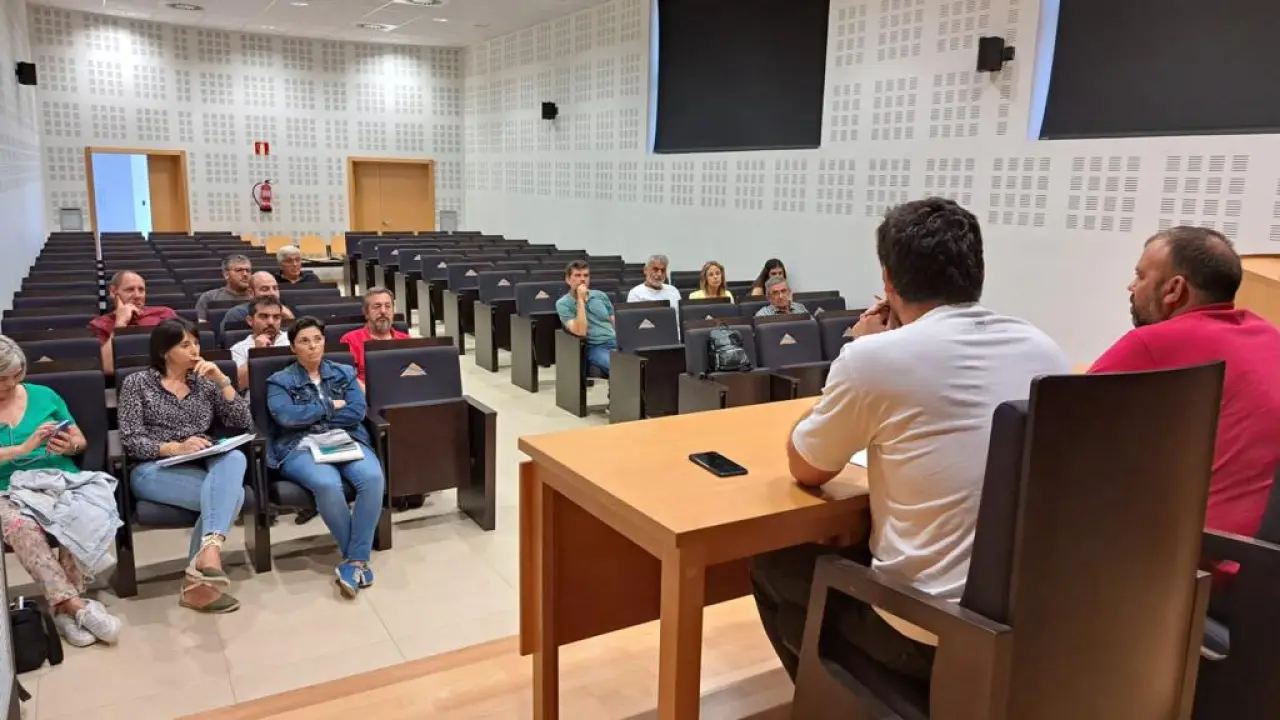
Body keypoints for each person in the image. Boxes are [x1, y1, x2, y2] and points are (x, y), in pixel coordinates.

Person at [751, 197, 1068, 682]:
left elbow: (807, 466)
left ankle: (839, 699)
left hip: (929, 631)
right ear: (979, 271)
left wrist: (862, 347)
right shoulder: (1044, 350)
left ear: (888, 282)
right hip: (1025, 624)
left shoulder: (873, 359)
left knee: (773, 567)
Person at [1090, 227, 1280, 552]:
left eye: (1140, 275)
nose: (1131, 286)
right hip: (1263, 556)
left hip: (1206, 556)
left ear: (1174, 289)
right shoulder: (1270, 337)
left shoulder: (1151, 343)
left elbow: (1056, 427)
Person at [118, 318, 252, 614]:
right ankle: (201, 575)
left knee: (235, 457)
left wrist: (223, 381)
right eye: (185, 344)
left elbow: (243, 422)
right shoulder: (137, 383)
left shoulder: (204, 382)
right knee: (234, 496)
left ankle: (207, 559)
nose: (195, 350)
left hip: (201, 463)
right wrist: (174, 448)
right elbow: (131, 440)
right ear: (164, 351)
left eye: (197, 343)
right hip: (153, 468)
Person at [0, 336, 122, 647]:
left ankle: (65, 610)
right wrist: (22, 449)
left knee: (76, 514)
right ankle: (75, 606)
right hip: (6, 488)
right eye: (2, 379)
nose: (10, 384)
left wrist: (69, 445)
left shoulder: (44, 396)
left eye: (15, 376)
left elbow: (80, 440)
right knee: (21, 527)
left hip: (57, 477)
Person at [266, 317, 385, 598]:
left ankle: (353, 561)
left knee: (373, 477)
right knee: (327, 484)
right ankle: (357, 559)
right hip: (300, 445)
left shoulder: (344, 372)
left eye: (317, 339)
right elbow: (285, 417)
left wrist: (311, 414)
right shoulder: (279, 380)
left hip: (345, 437)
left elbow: (356, 411)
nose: (312, 346)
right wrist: (330, 406)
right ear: (293, 347)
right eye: (304, 341)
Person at [90, 271, 177, 375]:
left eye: (141, 290)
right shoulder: (99, 324)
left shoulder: (165, 313)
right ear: (113, 292)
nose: (137, 295)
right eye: (130, 289)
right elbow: (106, 368)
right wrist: (120, 323)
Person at [339, 287, 409, 388]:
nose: (383, 311)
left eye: (388, 306)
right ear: (366, 313)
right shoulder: (350, 340)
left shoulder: (406, 340)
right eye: (377, 307)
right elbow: (348, 379)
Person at [556, 260, 616, 376]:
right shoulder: (563, 304)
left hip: (615, 342)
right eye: (577, 275)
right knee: (620, 367)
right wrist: (580, 300)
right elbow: (581, 331)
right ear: (568, 279)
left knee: (641, 364)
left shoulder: (600, 295)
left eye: (586, 275)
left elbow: (614, 322)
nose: (582, 279)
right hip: (594, 347)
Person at [230, 296, 290, 389]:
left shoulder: (293, 340)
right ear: (250, 321)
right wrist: (258, 352)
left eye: (276, 317)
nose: (271, 322)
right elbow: (240, 384)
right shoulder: (238, 349)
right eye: (264, 316)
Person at [219, 271, 295, 337]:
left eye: (275, 288)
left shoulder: (288, 310)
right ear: (250, 293)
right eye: (265, 289)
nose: (272, 293)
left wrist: (290, 318)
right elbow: (227, 342)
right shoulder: (236, 314)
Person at [195, 254, 253, 322]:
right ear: (226, 274)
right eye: (239, 270)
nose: (245, 274)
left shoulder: (258, 297)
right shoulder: (209, 297)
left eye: (248, 270)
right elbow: (202, 326)